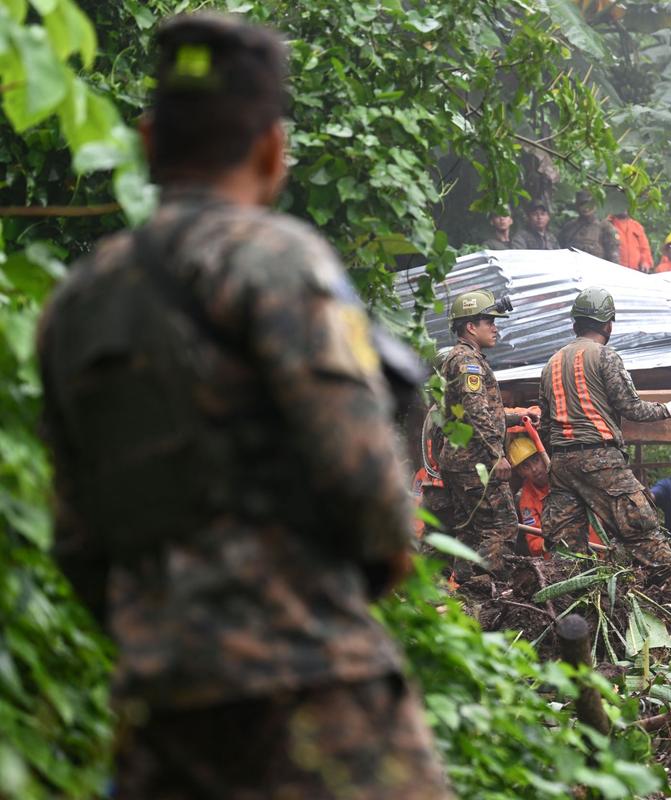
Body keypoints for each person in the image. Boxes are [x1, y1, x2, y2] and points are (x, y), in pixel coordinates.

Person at [36, 13, 451, 799]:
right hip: (310, 692)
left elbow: (77, 540)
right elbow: (368, 488)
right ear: (272, 149)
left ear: (150, 140)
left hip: (161, 709)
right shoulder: (276, 261)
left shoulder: (75, 306)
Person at [537, 287, 671, 595]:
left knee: (567, 546)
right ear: (608, 324)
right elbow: (630, 407)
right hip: (599, 458)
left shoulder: (551, 363)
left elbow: (546, 422)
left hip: (562, 462)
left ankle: (573, 603)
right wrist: (669, 408)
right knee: (639, 522)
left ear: (575, 324)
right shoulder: (605, 356)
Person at [440, 289, 524, 574]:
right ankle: (486, 591)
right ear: (470, 327)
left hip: (459, 462)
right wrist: (497, 454)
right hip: (475, 462)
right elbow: (475, 410)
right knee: (502, 526)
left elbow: (471, 411)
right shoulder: (468, 362)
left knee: (471, 531)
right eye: (489, 321)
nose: (495, 327)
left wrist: (514, 418)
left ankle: (466, 595)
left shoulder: (461, 358)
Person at [416, 347, 456, 539]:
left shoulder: (437, 408)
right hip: (444, 494)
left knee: (436, 549)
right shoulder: (445, 410)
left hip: (434, 493)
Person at [559, 190, 621, 263]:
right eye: (582, 204)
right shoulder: (569, 227)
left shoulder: (606, 227)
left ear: (595, 205)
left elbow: (613, 257)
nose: (586, 207)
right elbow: (560, 251)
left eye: (589, 204)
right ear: (577, 206)